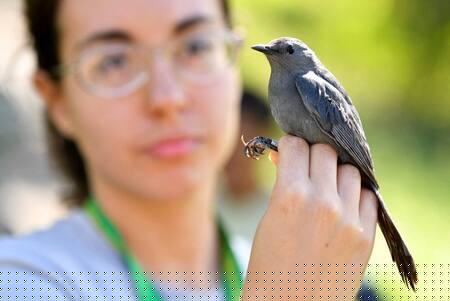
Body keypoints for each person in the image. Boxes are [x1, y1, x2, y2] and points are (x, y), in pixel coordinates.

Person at [0, 0, 379, 300]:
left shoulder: (306, 270)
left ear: (233, 67)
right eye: (114, 61)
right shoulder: (23, 282)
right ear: (56, 101)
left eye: (196, 46)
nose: (168, 97)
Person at [218, 89, 272, 241]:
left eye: (246, 141)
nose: (235, 153)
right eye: (230, 140)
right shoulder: (198, 208)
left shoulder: (277, 211)